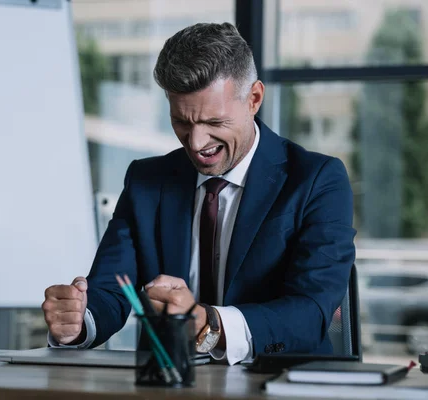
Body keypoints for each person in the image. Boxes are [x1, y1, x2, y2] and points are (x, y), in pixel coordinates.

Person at [42, 22, 356, 365]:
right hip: (168, 385)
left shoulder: (316, 180)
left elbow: (311, 310)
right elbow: (112, 289)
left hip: (276, 383)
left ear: (254, 99)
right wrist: (78, 322)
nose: (196, 143)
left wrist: (211, 324)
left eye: (214, 123)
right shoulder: (147, 181)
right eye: (182, 122)